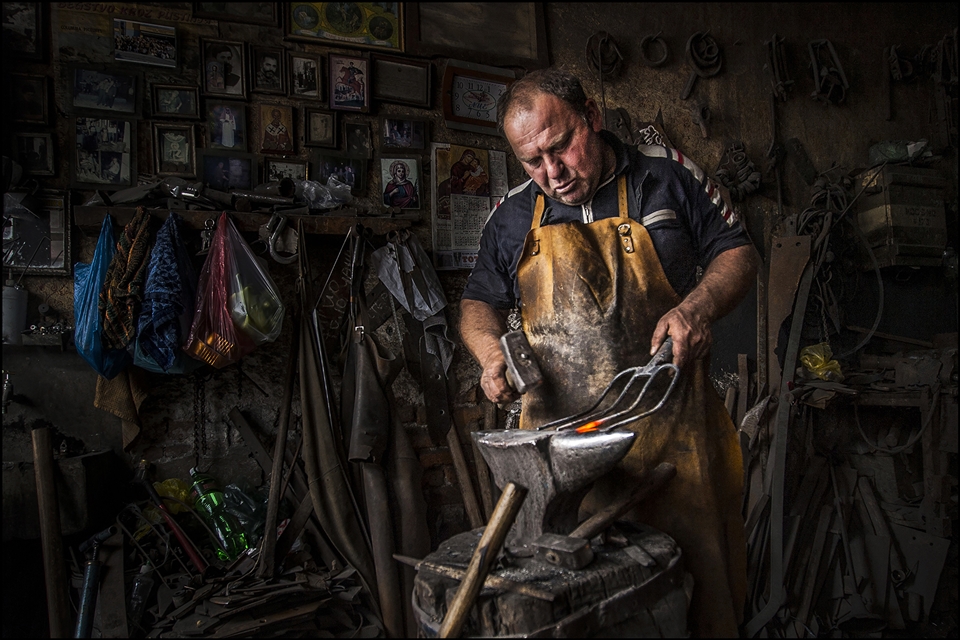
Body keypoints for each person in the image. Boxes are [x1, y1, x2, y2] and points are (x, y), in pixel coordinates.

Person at [459, 68, 758, 638]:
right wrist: (489, 355)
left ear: (591, 117)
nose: (552, 173)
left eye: (561, 146)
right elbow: (477, 301)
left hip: (673, 439)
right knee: (579, 608)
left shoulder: (668, 179)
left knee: (699, 601)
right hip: (563, 457)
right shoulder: (513, 215)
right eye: (532, 161)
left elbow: (737, 254)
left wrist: (695, 310)